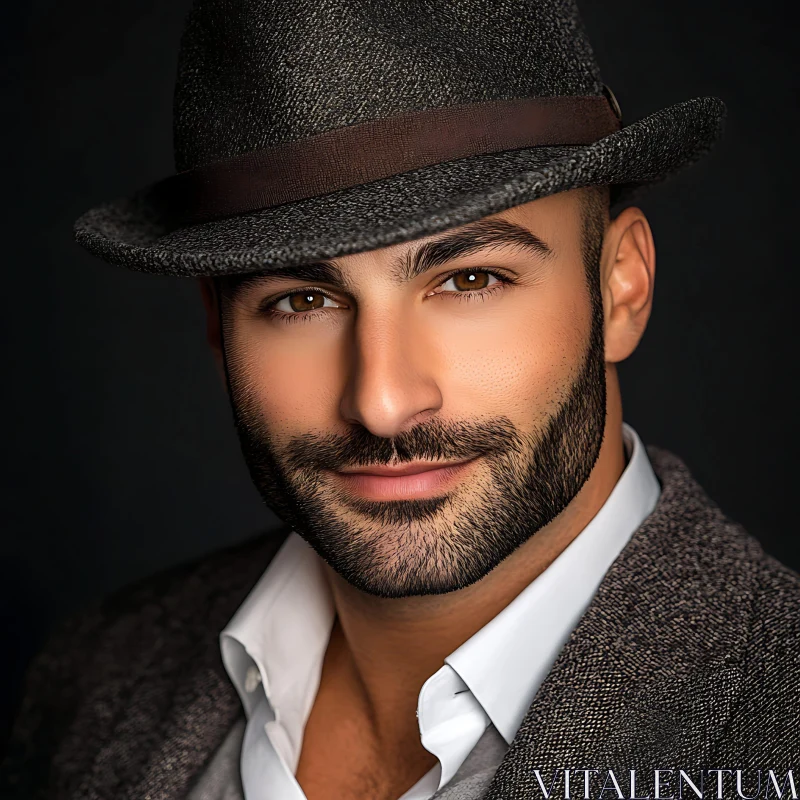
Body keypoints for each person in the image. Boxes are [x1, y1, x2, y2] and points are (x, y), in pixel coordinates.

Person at [3, 0, 798, 798]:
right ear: (217, 324)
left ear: (621, 285)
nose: (382, 403)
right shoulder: (91, 679)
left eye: (470, 280)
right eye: (300, 302)